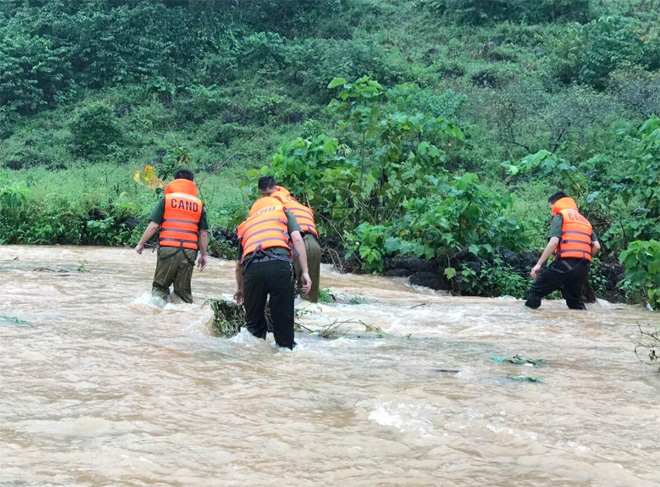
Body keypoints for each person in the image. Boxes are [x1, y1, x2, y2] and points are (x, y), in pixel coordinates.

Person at [233, 196, 311, 349]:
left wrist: (240, 289)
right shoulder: (283, 212)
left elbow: (238, 266)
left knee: (253, 326)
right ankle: (284, 356)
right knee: (283, 322)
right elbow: (297, 239)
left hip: (253, 270)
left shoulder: (247, 223)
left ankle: (252, 361)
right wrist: (305, 272)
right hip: (280, 267)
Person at [135, 169, 208, 303]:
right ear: (191, 183)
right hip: (189, 251)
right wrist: (203, 255)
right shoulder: (199, 204)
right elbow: (203, 233)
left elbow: (153, 226)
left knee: (160, 288)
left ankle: (157, 317)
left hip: (168, 248)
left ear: (174, 181)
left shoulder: (167, 200)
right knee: (183, 294)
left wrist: (141, 243)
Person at [525, 191, 601, 310]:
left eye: (551, 208)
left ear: (556, 204)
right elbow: (596, 246)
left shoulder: (561, 216)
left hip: (565, 264)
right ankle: (582, 324)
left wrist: (538, 264)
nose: (552, 211)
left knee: (536, 290)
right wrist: (581, 260)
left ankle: (526, 320)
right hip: (583, 267)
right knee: (574, 301)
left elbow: (554, 241)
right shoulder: (585, 221)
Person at [257, 177, 322, 303]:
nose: (266, 198)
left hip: (296, 243)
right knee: (309, 297)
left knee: (285, 293)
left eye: (268, 194)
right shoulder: (293, 202)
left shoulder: (274, 204)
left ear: (275, 189)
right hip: (314, 245)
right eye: (263, 195)